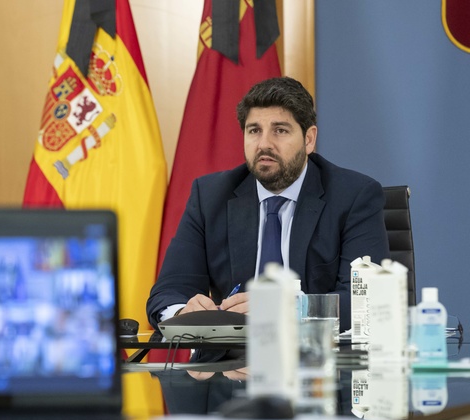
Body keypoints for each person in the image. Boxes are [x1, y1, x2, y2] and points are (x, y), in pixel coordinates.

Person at [147, 76, 390, 335]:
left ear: (309, 139)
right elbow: (167, 294)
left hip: (318, 362)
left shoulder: (353, 196)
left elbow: (366, 300)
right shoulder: (209, 197)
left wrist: (287, 309)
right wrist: (184, 312)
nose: (264, 144)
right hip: (232, 366)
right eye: (254, 131)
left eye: (280, 130)